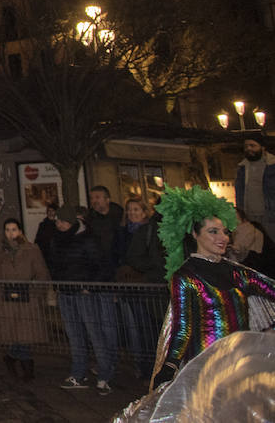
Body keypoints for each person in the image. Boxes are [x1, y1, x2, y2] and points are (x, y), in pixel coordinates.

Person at [153, 185, 275, 383]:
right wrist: (170, 366)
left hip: (240, 366)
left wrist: (266, 335)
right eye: (213, 231)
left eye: (225, 232)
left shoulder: (238, 272)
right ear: (195, 233)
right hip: (206, 369)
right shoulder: (186, 276)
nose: (223, 238)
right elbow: (183, 327)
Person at [48, 213, 117, 393]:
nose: (60, 225)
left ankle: (104, 373)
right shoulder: (57, 240)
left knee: (95, 333)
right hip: (66, 292)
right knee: (74, 335)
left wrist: (89, 286)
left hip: (83, 293)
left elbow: (102, 265)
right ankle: (78, 372)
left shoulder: (88, 239)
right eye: (58, 221)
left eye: (63, 221)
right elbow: (54, 265)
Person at [113, 197, 166, 375]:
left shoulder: (151, 230)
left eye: (136, 209)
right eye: (130, 209)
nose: (132, 213)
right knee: (140, 329)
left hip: (151, 286)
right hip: (136, 286)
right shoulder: (127, 231)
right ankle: (144, 366)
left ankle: (152, 366)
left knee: (151, 329)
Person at [0, 218, 50, 381]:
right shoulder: (1, 252)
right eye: (7, 230)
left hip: (27, 297)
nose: (11, 233)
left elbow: (41, 273)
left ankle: (23, 365)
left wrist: (35, 291)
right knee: (14, 333)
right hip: (8, 298)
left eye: (14, 229)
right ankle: (15, 359)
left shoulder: (31, 249)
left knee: (24, 334)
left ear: (20, 231)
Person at [234, 133, 275, 231]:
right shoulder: (242, 168)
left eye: (252, 145)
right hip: (249, 217)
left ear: (263, 148)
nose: (248, 149)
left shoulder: (272, 165)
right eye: (246, 146)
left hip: (270, 216)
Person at [86, 186, 124, 276]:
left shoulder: (120, 216)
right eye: (91, 198)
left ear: (107, 200)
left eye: (97, 197)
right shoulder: (89, 220)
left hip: (118, 266)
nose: (94, 201)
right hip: (98, 267)